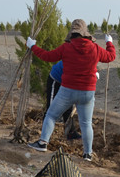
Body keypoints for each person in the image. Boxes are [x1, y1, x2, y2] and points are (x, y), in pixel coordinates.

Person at [26, 19, 115, 161]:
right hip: (87, 93)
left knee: (51, 115)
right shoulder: (95, 48)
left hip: (67, 91)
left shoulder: (66, 48)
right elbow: (111, 57)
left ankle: (43, 143)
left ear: (72, 34)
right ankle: (87, 154)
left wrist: (33, 46)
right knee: (86, 123)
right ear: (85, 33)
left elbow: (47, 56)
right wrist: (109, 42)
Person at [45, 61, 82, 141]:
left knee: (69, 108)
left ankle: (71, 133)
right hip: (56, 79)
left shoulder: (88, 60)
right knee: (51, 110)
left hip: (69, 81)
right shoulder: (74, 59)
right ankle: (45, 137)